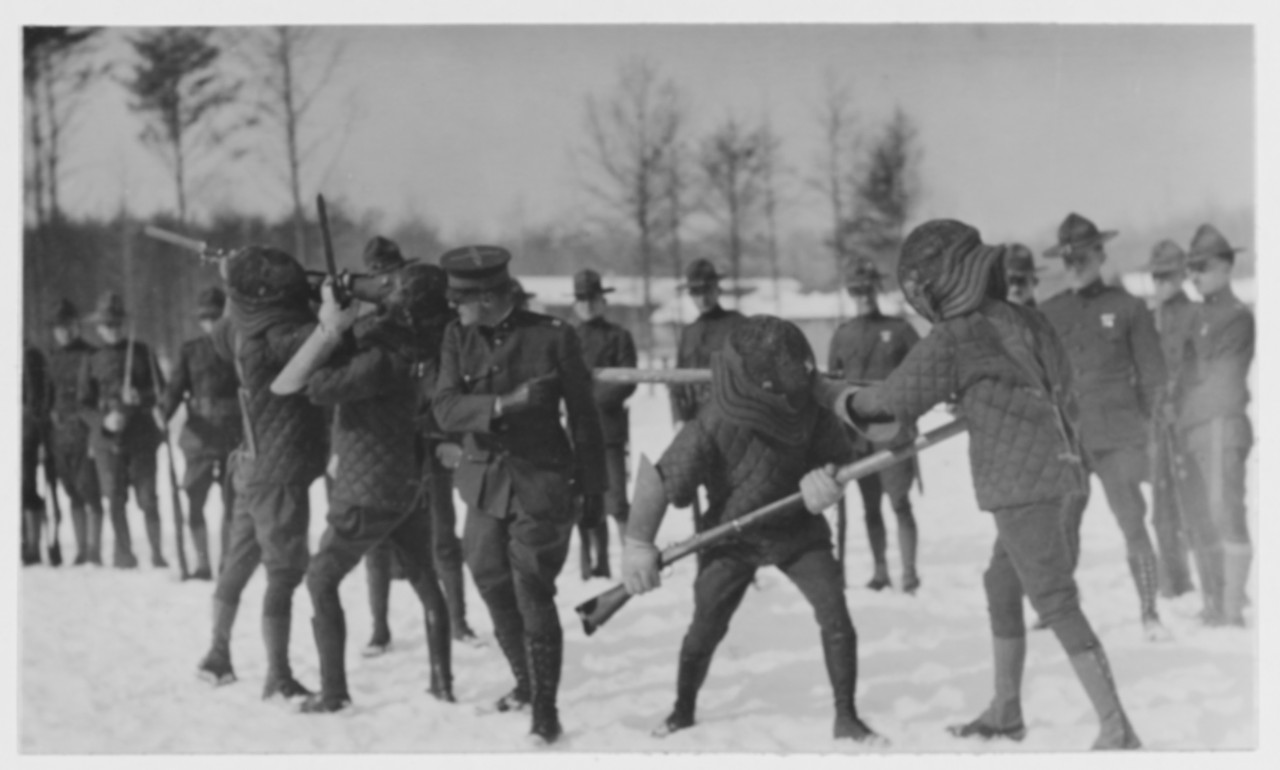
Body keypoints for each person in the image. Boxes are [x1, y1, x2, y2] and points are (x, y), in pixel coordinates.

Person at [818, 219, 1140, 750]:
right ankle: (1006, 712)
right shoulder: (1022, 319)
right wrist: (975, 394)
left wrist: (831, 395)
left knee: (1055, 601)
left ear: (940, 282)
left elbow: (889, 407)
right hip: (1057, 470)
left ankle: (1117, 729)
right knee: (1001, 584)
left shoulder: (956, 335)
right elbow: (1045, 381)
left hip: (1019, 485)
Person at [623, 316, 885, 745]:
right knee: (705, 628)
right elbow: (664, 478)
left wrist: (827, 481)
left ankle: (847, 716)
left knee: (836, 617)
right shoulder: (712, 422)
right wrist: (637, 542)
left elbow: (839, 461)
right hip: (729, 538)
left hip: (798, 530)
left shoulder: (813, 409)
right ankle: (682, 710)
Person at [433, 245, 605, 745]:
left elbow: (585, 417)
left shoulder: (553, 337)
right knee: (487, 573)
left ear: (487, 296)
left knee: (531, 586)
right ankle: (525, 684)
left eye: (460, 299)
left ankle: (546, 713)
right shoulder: (455, 337)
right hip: (485, 483)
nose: (454, 308)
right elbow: (444, 408)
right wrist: (504, 403)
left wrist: (594, 488)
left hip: (542, 482)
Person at [274, 263, 456, 713]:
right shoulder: (419, 349)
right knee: (424, 579)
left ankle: (334, 692)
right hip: (408, 482)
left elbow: (316, 386)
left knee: (320, 579)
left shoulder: (380, 358)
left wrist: (333, 328)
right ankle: (442, 682)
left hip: (365, 489)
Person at [194, 246, 328, 701]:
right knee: (285, 573)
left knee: (239, 563)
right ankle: (279, 674)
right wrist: (329, 302)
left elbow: (228, 322)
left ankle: (217, 653)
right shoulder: (280, 332)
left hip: (249, 464)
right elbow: (326, 339)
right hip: (281, 468)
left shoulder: (235, 328)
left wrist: (233, 279)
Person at [1040, 213, 1170, 641]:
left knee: (1133, 523)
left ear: (1101, 253)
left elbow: (1153, 379)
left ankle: (1149, 612)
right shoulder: (1049, 313)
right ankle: (1056, 613)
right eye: (1069, 257)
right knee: (1062, 528)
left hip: (1119, 439)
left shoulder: (1128, 307)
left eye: (1084, 254)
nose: (1076, 263)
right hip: (1069, 442)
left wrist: (1149, 437)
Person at [358, 237, 479, 656]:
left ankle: (460, 621)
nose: (387, 284)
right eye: (377, 277)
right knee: (378, 539)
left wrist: (448, 437)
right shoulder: (368, 326)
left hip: (432, 440)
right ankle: (379, 630)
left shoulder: (435, 322)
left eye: (391, 275)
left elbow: (454, 384)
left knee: (444, 535)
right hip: (384, 445)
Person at [827, 259, 922, 592]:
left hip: (894, 432)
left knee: (899, 503)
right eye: (856, 290)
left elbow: (923, 370)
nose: (863, 296)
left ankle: (909, 573)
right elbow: (832, 388)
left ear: (877, 289)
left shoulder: (899, 330)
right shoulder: (842, 335)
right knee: (870, 507)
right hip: (859, 437)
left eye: (867, 289)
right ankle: (881, 571)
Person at [1177, 225, 1254, 627]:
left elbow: (1223, 385)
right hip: (1196, 429)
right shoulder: (1197, 316)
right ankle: (1214, 601)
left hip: (1222, 427)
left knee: (1226, 513)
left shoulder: (1237, 318)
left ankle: (1231, 606)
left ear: (1225, 267)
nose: (1193, 275)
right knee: (1201, 515)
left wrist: (1184, 404)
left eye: (1202, 267)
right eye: (1190, 268)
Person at [77, 291, 166, 569]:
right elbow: (83, 404)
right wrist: (103, 420)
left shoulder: (142, 352)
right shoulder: (90, 359)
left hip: (141, 436)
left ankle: (157, 554)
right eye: (107, 325)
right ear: (99, 327)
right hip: (108, 440)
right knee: (115, 499)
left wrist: (141, 395)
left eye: (116, 324)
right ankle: (124, 555)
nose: (112, 330)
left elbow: (160, 391)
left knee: (148, 498)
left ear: (124, 325)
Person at [159, 287, 242, 580]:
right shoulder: (190, 350)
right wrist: (163, 412)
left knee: (233, 503)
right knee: (194, 501)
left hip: (234, 437)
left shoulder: (240, 348)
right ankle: (203, 563)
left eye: (216, 316)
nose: (210, 323)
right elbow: (174, 389)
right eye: (205, 318)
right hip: (199, 438)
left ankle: (228, 564)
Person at [570, 268, 638, 580]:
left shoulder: (619, 337)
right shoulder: (565, 337)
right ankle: (591, 567)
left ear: (603, 301)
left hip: (608, 429)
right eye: (581, 299)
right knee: (583, 500)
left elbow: (627, 380)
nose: (587, 305)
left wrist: (590, 399)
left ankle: (632, 563)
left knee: (617, 500)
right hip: (575, 432)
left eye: (593, 298)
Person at [1144, 240, 1197, 599]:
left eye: (1169, 275)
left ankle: (1216, 583)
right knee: (1162, 505)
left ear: (1183, 274)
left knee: (1199, 500)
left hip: (1191, 421)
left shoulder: (1196, 314)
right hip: (1156, 424)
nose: (1162, 282)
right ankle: (1174, 581)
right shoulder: (1148, 318)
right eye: (1157, 276)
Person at [47, 299, 105, 566]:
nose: (65, 332)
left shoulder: (91, 354)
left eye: (69, 326)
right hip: (60, 434)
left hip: (85, 431)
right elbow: (47, 398)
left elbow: (98, 395)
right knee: (71, 490)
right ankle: (81, 549)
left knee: (89, 489)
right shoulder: (52, 358)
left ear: (77, 326)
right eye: (60, 328)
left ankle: (94, 550)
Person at [22, 343, 51, 566]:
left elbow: (40, 398)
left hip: (25, 431)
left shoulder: (30, 355)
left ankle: (31, 547)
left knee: (25, 488)